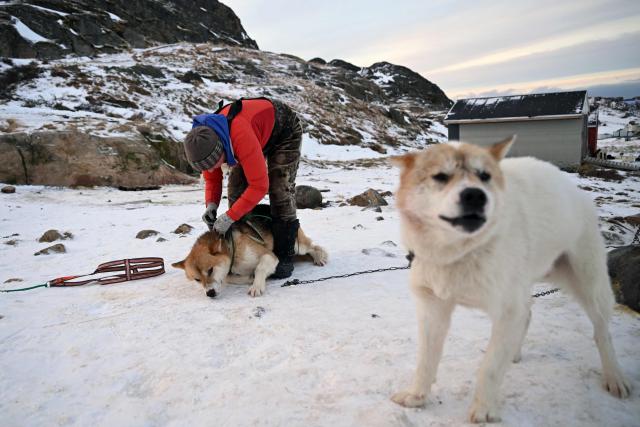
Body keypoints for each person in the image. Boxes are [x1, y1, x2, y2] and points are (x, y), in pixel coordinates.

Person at [182, 98, 303, 279]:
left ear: (221, 149)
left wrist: (230, 216)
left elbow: (260, 186)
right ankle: (248, 246)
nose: (210, 170)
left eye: (214, 164)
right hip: (254, 135)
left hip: (284, 130)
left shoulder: (239, 136)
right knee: (236, 191)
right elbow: (212, 178)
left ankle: (285, 253)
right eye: (204, 168)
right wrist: (211, 205)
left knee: (280, 189)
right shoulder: (200, 142)